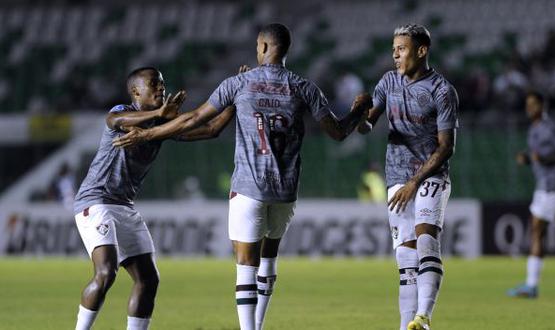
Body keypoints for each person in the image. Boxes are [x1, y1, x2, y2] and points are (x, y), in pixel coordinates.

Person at [112, 23, 372, 330]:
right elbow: (339, 132)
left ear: (262, 47)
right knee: (269, 259)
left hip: (249, 188)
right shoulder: (305, 87)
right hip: (285, 191)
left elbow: (195, 119)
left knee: (246, 266)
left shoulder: (238, 83)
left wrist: (149, 134)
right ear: (285, 50)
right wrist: (358, 110)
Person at [73, 67, 235, 330]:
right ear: (136, 91)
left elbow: (211, 129)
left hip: (124, 205)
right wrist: (160, 113)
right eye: (154, 84)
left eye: (162, 83)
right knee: (106, 273)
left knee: (148, 278)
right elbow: (114, 121)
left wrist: (233, 103)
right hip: (96, 201)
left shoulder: (160, 125)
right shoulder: (121, 111)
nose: (162, 88)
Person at [358, 24, 459, 330]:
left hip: (430, 175)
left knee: (427, 238)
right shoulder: (388, 82)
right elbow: (367, 125)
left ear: (421, 50)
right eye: (393, 50)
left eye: (401, 49)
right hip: (396, 178)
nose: (395, 55)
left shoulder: (442, 91)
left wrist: (415, 182)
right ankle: (407, 326)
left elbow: (446, 148)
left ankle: (424, 317)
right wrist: (358, 114)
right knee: (405, 261)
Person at [508, 91, 555, 298]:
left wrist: (544, 157)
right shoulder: (535, 128)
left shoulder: (549, 127)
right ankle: (530, 285)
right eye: (527, 104)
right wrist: (529, 158)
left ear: (543, 106)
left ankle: (531, 286)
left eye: (533, 104)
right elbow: (540, 156)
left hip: (552, 185)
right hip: (551, 185)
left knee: (537, 229)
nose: (529, 108)